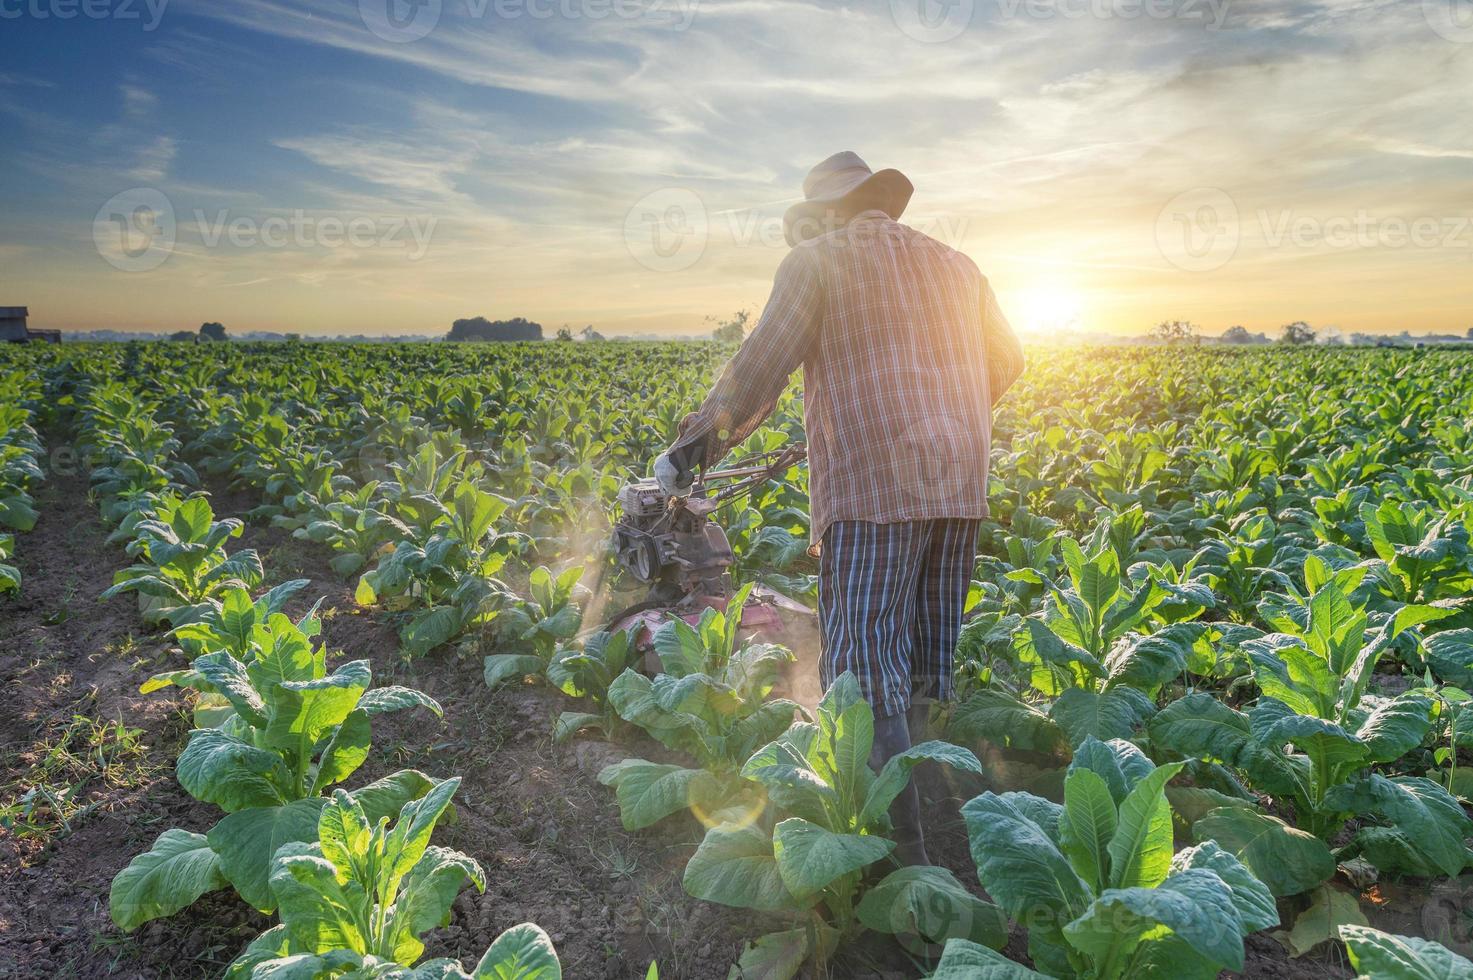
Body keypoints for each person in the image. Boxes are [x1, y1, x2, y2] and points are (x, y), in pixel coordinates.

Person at [653, 151, 1024, 865]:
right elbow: (1006, 359)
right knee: (922, 646)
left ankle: (895, 848)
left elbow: (760, 366)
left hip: (872, 483)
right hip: (957, 481)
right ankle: (925, 800)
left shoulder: (818, 261)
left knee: (861, 658)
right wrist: (947, 416)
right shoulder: (956, 264)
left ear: (826, 212)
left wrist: (687, 455)